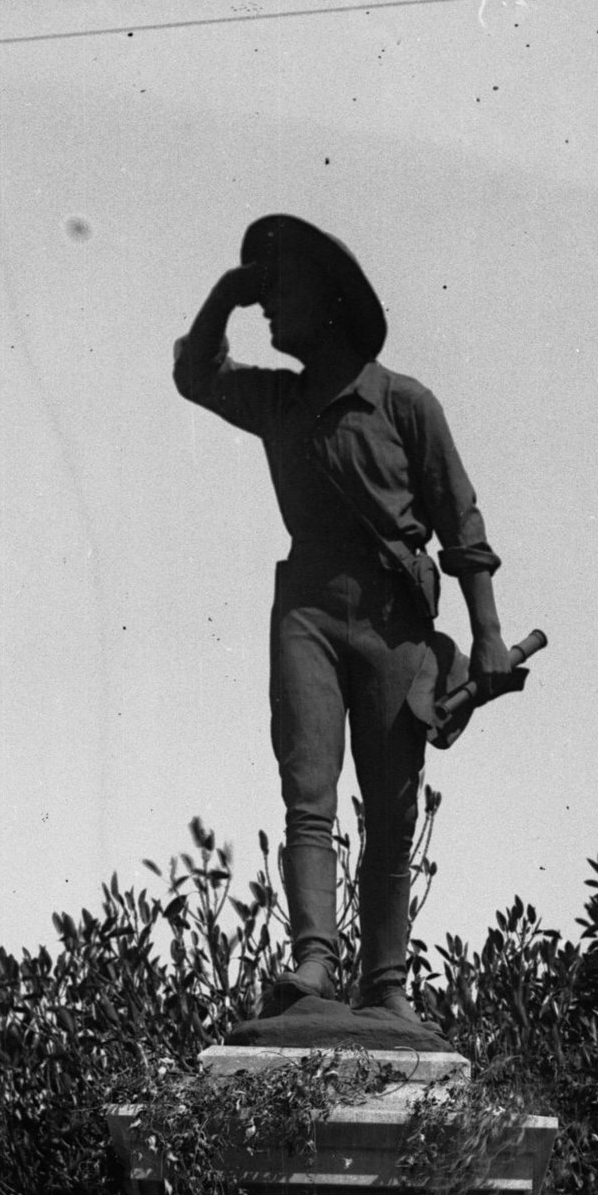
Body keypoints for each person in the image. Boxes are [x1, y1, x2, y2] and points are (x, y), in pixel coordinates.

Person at [174, 216, 515, 1021]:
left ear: (328, 303)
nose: (267, 308)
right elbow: (196, 374)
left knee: (393, 805)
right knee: (308, 787)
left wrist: (490, 636)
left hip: (396, 620)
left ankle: (387, 986)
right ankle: (315, 965)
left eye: (280, 289)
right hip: (309, 612)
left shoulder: (404, 403)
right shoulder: (279, 400)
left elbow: (463, 529)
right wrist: (230, 287)